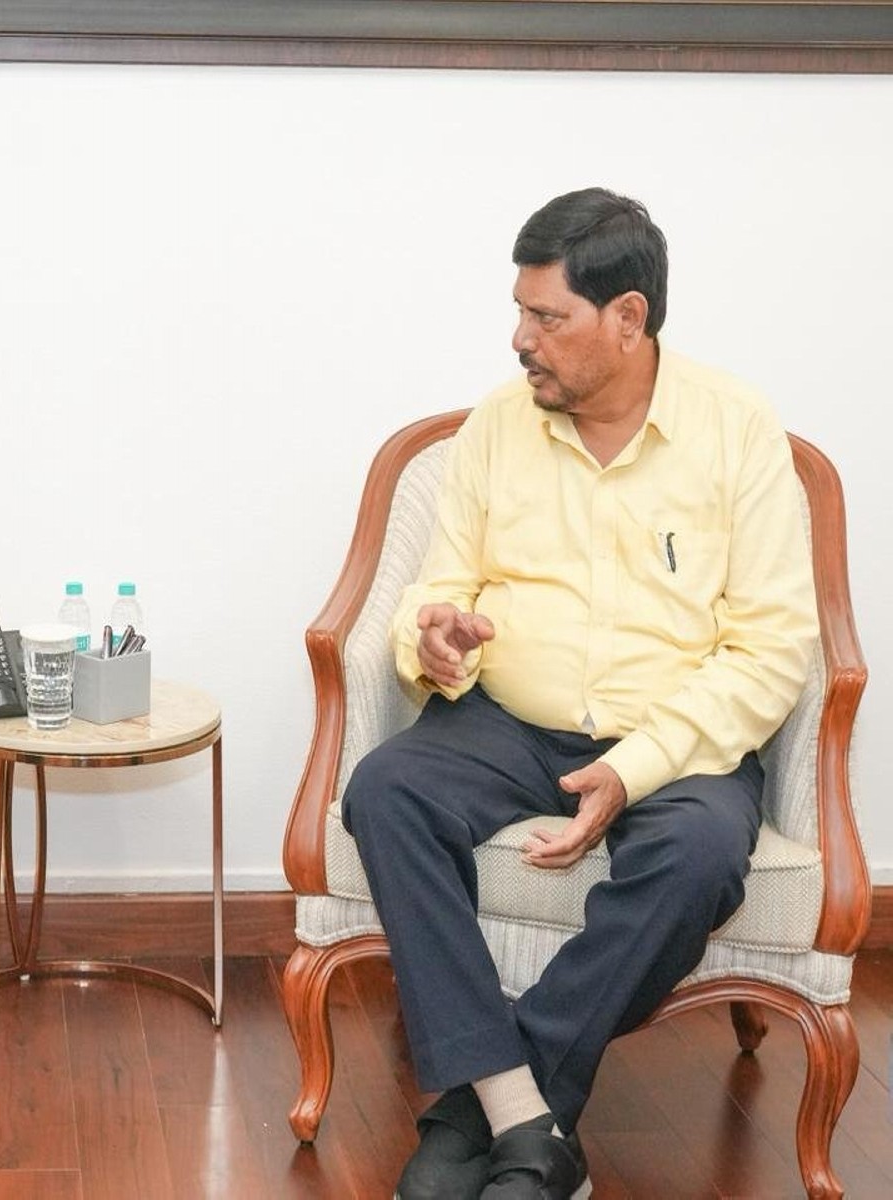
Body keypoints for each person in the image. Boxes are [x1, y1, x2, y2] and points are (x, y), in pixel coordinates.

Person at [343, 188, 817, 1200]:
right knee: (386, 791)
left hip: (678, 739)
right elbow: (437, 588)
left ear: (628, 318)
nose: (521, 339)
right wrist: (434, 637)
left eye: (547, 317)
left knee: (697, 858)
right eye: (519, 312)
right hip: (508, 722)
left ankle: (485, 1109)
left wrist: (632, 769)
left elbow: (772, 652)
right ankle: (526, 1120)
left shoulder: (737, 429)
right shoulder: (495, 426)